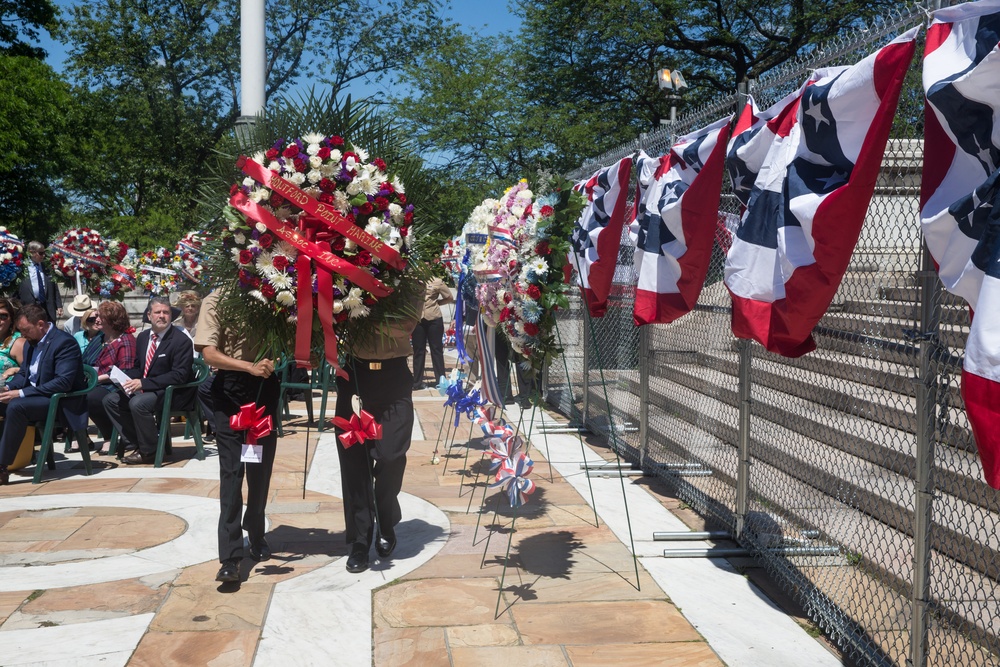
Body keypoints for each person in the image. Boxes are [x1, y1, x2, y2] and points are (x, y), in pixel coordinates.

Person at [335, 287, 423, 573]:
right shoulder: (345, 275)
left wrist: (356, 315)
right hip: (355, 376)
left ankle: (386, 516)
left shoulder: (408, 276)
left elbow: (404, 325)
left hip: (393, 377)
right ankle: (359, 542)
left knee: (391, 455)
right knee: (354, 464)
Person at [193, 291, 278, 583]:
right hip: (231, 391)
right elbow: (208, 353)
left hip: (264, 389)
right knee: (231, 474)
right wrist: (248, 367)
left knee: (259, 471)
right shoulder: (216, 299)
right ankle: (230, 556)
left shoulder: (276, 294)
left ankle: (255, 530)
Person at [0, 304, 87, 485]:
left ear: (41, 324)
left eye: (25, 330)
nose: (23, 335)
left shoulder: (64, 343)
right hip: (36, 397)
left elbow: (62, 382)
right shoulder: (31, 343)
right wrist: (8, 388)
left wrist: (21, 393)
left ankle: (2, 466)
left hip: (60, 401)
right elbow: (25, 374)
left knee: (17, 406)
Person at [103, 296, 194, 465]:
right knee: (111, 400)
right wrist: (123, 377)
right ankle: (138, 443)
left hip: (172, 392)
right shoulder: (144, 337)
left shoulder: (181, 340)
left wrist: (143, 383)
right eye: (157, 312)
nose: (162, 316)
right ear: (149, 315)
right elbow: (139, 367)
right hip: (148, 389)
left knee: (138, 403)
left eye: (166, 312)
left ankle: (149, 451)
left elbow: (179, 375)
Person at [85, 301, 136, 455]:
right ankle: (81, 435)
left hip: (114, 384)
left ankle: (109, 436)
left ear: (113, 319)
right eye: (96, 317)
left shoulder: (125, 340)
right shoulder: (98, 339)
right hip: (92, 381)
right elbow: (84, 360)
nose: (97, 320)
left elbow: (125, 370)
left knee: (91, 397)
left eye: (101, 317)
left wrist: (96, 379)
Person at [411, 275, 454, 390]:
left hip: (434, 318)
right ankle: (417, 382)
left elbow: (449, 297)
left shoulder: (437, 281)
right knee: (418, 350)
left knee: (436, 350)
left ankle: (440, 380)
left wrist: (437, 303)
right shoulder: (412, 281)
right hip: (418, 318)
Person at [18, 241, 63, 323]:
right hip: (29, 306)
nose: (44, 255)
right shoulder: (22, 268)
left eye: (44, 253)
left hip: (47, 306)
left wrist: (59, 305)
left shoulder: (47, 267)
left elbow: (54, 286)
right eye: (41, 253)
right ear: (32, 253)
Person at [0, 298, 26, 384]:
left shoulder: (17, 343)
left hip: (7, 392)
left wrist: (16, 370)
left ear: (11, 319)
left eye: (3, 316)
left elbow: (34, 374)